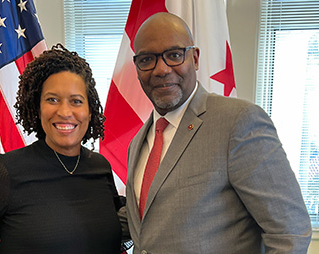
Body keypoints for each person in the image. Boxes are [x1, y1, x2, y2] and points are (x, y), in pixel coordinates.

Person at [125, 12, 312, 253]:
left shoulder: (239, 121)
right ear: (137, 67)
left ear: (195, 58)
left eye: (174, 55)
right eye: (147, 59)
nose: (161, 69)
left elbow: (290, 233)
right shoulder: (138, 142)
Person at [0, 44, 129, 254]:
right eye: (52, 99)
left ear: (89, 112)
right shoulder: (7, 172)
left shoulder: (100, 167)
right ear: (37, 108)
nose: (65, 111)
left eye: (76, 101)